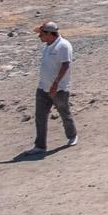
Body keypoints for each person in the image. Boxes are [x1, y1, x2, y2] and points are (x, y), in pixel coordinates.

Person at [31, 20, 77, 153]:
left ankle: (72, 135)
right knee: (40, 116)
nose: (39, 37)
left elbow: (66, 65)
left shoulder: (63, 46)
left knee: (64, 113)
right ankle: (40, 145)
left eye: (41, 34)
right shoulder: (47, 45)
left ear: (50, 34)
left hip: (59, 89)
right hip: (43, 87)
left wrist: (55, 84)